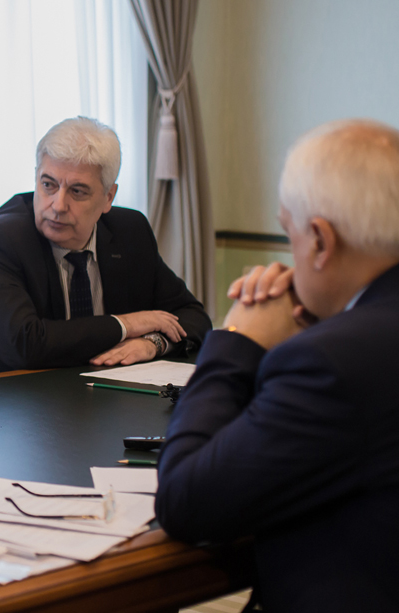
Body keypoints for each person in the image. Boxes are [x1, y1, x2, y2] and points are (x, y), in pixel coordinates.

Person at [156, 119, 399, 610]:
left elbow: (186, 501)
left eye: (290, 235)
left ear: (320, 241)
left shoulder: (331, 363)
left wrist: (235, 341)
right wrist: (329, 323)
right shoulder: (350, 345)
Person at [0, 116, 211, 380]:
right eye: (48, 185)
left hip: (96, 397)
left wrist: (152, 343)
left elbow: (193, 316)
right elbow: (26, 344)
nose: (58, 205)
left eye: (77, 191)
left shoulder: (129, 232)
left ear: (108, 197)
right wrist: (126, 324)